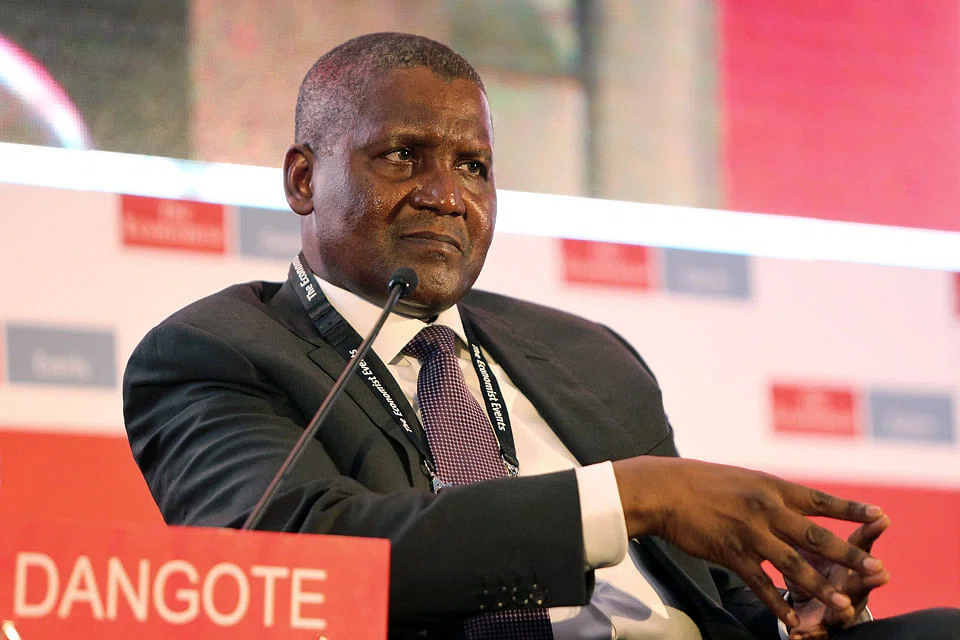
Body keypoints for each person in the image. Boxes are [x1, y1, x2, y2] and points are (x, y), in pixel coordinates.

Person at [123, 32, 959, 640]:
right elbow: (287, 563)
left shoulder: (590, 356)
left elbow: (711, 601)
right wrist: (628, 497)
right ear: (305, 179)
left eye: (474, 166)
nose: (447, 195)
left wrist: (787, 617)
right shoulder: (219, 352)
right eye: (403, 156)